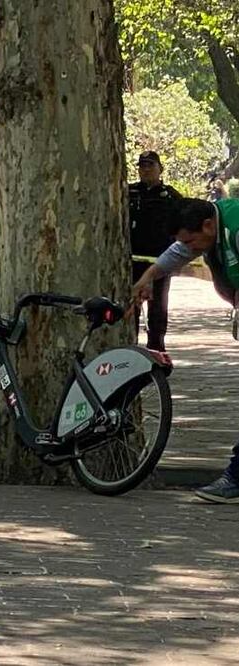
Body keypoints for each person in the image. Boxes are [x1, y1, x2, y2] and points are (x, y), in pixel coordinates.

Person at [132, 196, 239, 503]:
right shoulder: (211, 227)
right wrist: (148, 276)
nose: (189, 249)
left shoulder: (235, 227)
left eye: (191, 241)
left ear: (207, 225)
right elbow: (178, 252)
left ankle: (236, 478)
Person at [129, 150, 182, 351]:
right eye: (142, 166)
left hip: (160, 260)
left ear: (160, 168)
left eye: (150, 165)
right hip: (132, 261)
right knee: (131, 307)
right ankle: (130, 349)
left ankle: (157, 349)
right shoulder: (130, 192)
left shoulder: (170, 196)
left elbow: (182, 224)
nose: (146, 170)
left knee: (158, 309)